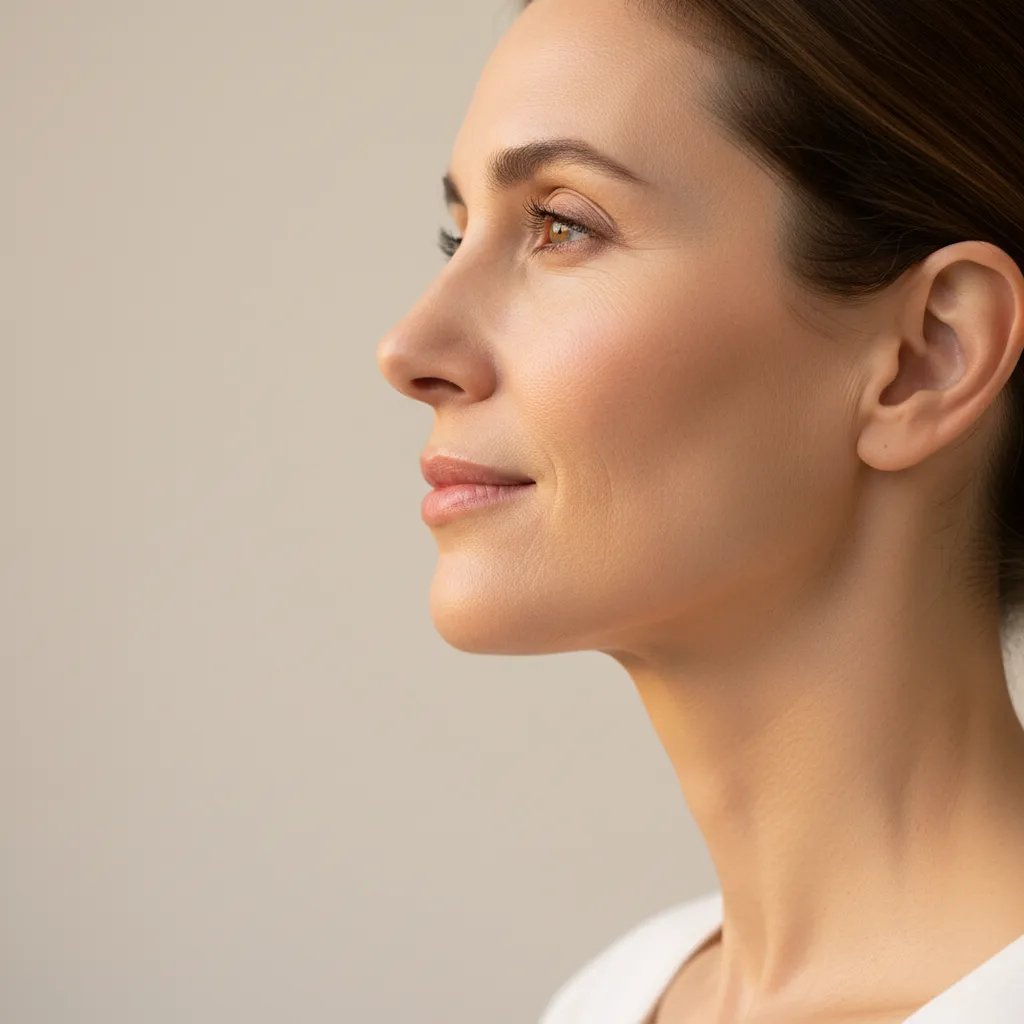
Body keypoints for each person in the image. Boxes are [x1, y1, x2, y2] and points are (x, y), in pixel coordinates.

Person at [375, 0, 1024, 1019]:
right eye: (455, 235)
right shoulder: (609, 997)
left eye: (561, 225)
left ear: (924, 358)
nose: (410, 349)